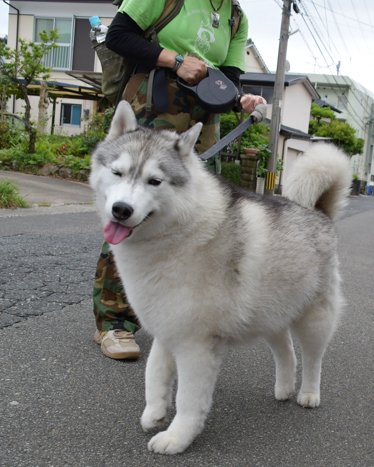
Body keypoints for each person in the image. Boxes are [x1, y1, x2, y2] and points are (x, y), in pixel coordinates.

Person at [92, 0, 266, 360]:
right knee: (130, 212)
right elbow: (118, 35)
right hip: (153, 110)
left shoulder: (235, 16)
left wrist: (241, 100)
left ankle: (173, 316)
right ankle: (114, 323)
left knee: (189, 220)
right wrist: (175, 60)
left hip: (200, 123)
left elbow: (227, 80)